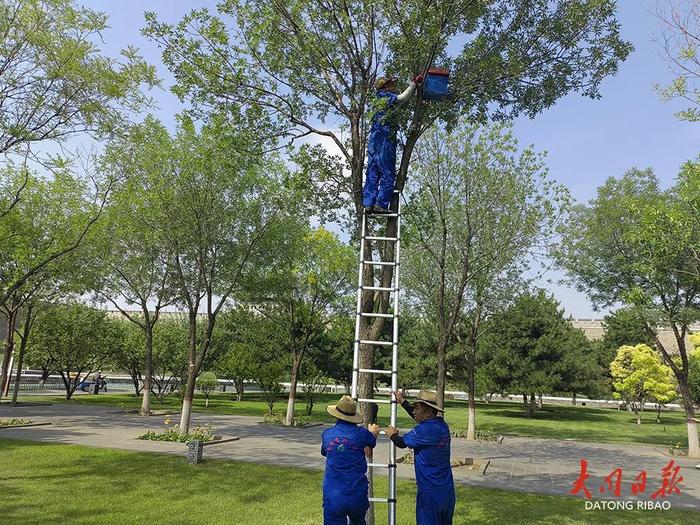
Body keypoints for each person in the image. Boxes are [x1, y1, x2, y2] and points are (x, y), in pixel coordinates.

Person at [385, 390, 455, 525]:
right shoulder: (441, 426)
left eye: (417, 408)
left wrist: (392, 434)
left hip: (429, 492)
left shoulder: (424, 430)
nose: (414, 411)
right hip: (447, 491)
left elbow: (401, 443)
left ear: (428, 412)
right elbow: (418, 417)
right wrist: (402, 402)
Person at [363, 74, 423, 214]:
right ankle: (381, 205)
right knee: (387, 172)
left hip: (374, 141)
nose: (393, 87)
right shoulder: (384, 96)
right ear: (384, 87)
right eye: (390, 84)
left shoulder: (376, 101)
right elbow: (402, 98)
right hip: (385, 138)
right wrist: (413, 85)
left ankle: (368, 204)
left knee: (373, 172)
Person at [321, 395, 381, 525]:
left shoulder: (327, 434)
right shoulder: (362, 434)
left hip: (333, 495)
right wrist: (373, 433)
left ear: (336, 415)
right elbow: (371, 441)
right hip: (357, 494)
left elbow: (325, 452)